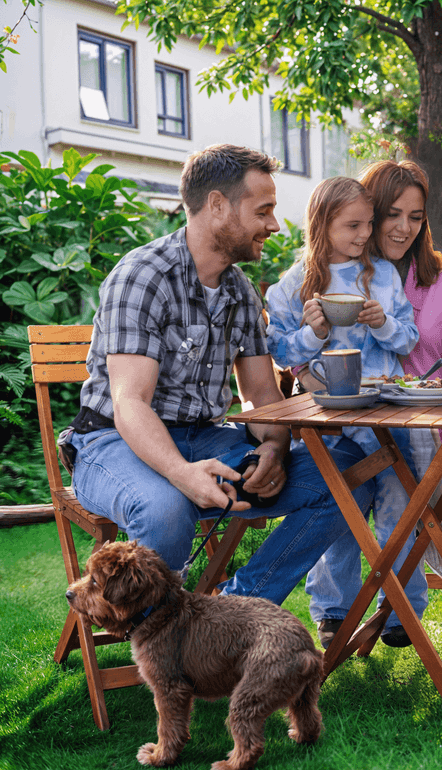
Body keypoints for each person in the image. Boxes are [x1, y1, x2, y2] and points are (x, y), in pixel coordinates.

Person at [63, 144, 374, 605]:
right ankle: (167, 646)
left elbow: (261, 395)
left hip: (205, 438)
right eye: (263, 210)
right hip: (113, 442)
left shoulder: (239, 290)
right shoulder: (143, 277)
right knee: (165, 509)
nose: (272, 224)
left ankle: (236, 609)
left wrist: (273, 447)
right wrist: (183, 474)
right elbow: (130, 404)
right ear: (216, 206)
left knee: (350, 473)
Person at [265, 176, 424, 648]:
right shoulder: (293, 287)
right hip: (329, 418)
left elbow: (409, 339)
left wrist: (385, 323)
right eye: (352, 225)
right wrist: (313, 335)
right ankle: (335, 610)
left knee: (400, 499)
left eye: (367, 224)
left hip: (384, 414)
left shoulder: (383, 275)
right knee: (341, 503)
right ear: (322, 224)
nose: (362, 235)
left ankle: (401, 606)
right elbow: (278, 351)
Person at [354, 160, 442, 590]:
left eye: (415, 217)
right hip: (358, 427)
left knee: (426, 445)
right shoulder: (344, 279)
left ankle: (403, 593)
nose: (403, 228)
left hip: (427, 428)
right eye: (392, 214)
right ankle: (344, 610)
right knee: (337, 479)